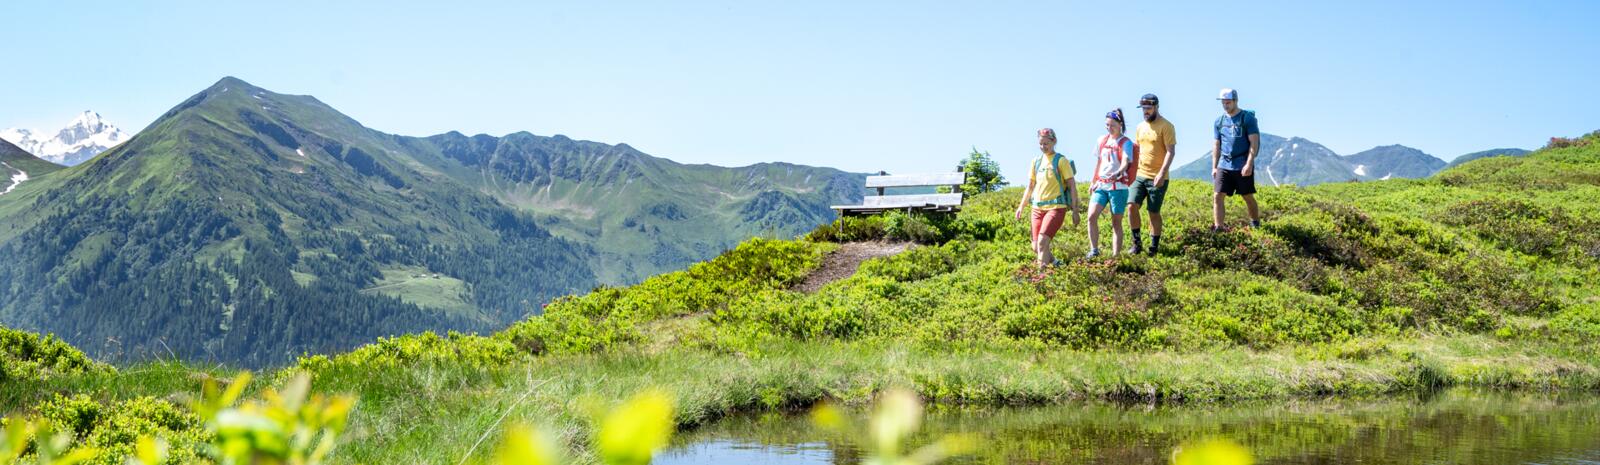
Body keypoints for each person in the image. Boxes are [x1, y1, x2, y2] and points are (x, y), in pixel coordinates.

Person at [1015, 128, 1080, 267]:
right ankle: (1056, 264)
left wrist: (1075, 211)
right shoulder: (1036, 161)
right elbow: (1030, 186)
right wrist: (1021, 206)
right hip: (1037, 208)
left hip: (1056, 208)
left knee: (1042, 242)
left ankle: (1041, 279)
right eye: (1040, 144)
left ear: (1054, 141)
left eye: (1046, 144)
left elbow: (1072, 186)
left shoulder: (1061, 161)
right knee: (1036, 247)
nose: (1043, 147)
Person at [1128, 93, 1176, 255]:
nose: (1145, 111)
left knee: (1153, 212)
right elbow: (1137, 150)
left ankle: (1154, 247)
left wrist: (1162, 173)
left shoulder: (1166, 126)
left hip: (1158, 176)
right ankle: (1137, 243)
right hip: (1140, 174)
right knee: (1131, 206)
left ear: (1156, 107)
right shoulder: (1140, 127)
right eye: (1143, 109)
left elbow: (1170, 152)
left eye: (1148, 108)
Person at [1211, 88, 1262, 231]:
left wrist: (1249, 164)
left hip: (1242, 164)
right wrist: (1214, 167)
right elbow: (1216, 144)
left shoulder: (1247, 118)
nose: (1225, 105)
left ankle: (1255, 223)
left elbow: (1254, 143)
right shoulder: (1219, 121)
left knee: (1247, 196)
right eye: (1223, 103)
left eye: (1228, 102)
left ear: (1235, 101)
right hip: (1224, 164)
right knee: (1217, 195)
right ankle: (1218, 227)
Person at [1086, 109, 1134, 258]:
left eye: (1112, 125)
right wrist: (1093, 181)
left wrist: (1118, 172)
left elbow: (1126, 162)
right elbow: (1099, 162)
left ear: (1120, 125)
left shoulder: (1126, 143)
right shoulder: (1102, 140)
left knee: (1116, 222)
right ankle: (1094, 250)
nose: (1109, 128)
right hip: (1101, 185)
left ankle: (1115, 255)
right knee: (1091, 216)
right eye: (1107, 125)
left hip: (1118, 187)